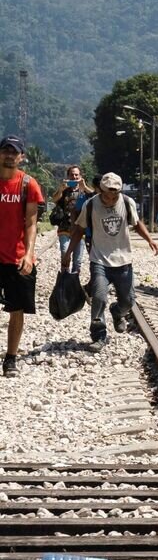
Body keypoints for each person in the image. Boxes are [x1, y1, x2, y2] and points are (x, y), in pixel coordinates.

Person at [62, 173, 158, 349]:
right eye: (107, 194)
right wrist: (68, 252)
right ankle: (99, 336)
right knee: (99, 297)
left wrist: (150, 240)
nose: (110, 198)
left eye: (114, 194)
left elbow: (136, 224)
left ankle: (117, 311)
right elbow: (79, 229)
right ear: (100, 190)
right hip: (99, 259)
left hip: (123, 259)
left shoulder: (127, 203)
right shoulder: (90, 205)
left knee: (129, 301)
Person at [1, 135, 44, 378]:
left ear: (21, 157)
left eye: (13, 152)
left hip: (16, 257)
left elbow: (31, 222)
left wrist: (29, 254)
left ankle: (11, 358)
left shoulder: (28, 184)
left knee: (16, 309)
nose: (9, 155)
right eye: (5, 150)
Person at [50, 166, 92, 274]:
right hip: (65, 228)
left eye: (76, 175)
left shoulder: (84, 191)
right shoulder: (64, 190)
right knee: (65, 253)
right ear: (68, 176)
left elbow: (95, 197)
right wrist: (61, 189)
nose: (74, 177)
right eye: (72, 175)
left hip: (80, 229)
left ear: (80, 176)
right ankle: (64, 278)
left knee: (77, 260)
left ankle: (74, 283)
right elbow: (54, 199)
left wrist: (85, 187)